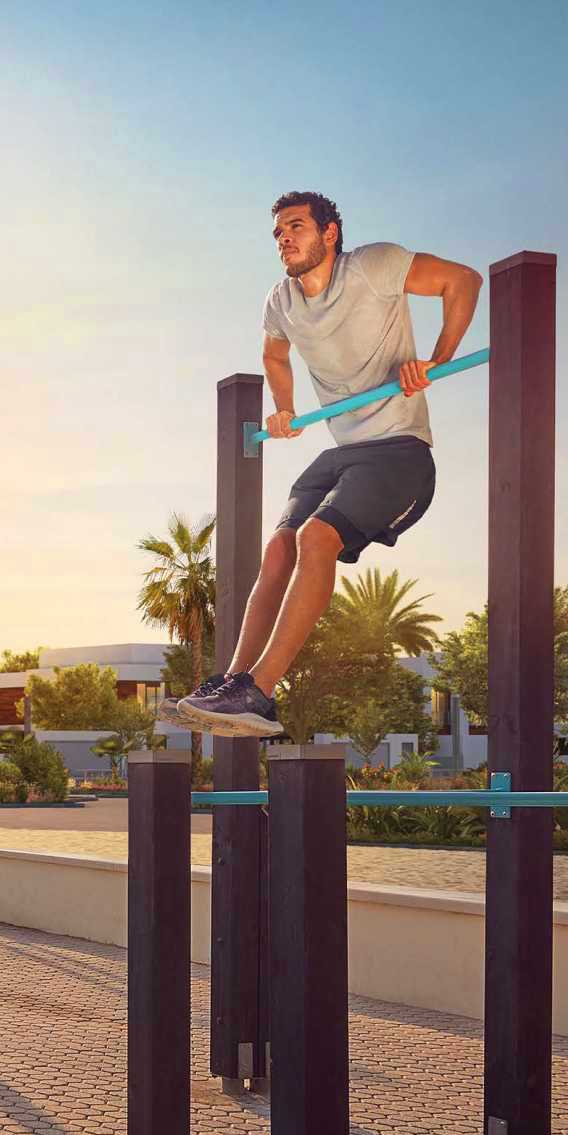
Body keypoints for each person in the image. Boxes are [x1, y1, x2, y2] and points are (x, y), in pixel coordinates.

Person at [171, 193, 482, 737]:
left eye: (296, 227)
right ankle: (234, 680)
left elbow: (465, 280)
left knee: (316, 539)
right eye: (278, 232)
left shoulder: (374, 266)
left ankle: (260, 693)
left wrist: (438, 359)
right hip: (342, 452)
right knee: (279, 547)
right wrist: (285, 406)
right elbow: (274, 354)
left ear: (330, 233)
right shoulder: (281, 300)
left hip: (399, 451)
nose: (284, 239)